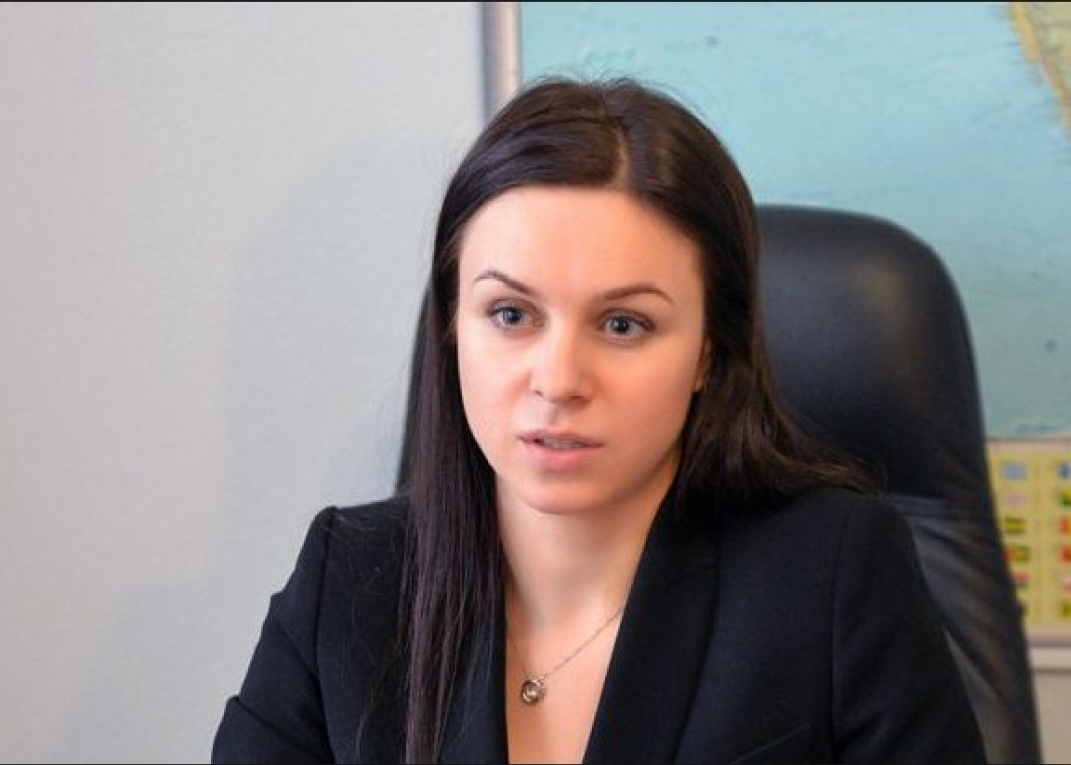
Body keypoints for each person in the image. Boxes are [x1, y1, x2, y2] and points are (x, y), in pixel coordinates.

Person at [212, 76, 986, 764]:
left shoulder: (833, 576)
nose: (558, 381)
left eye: (623, 324)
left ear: (710, 350)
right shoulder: (347, 582)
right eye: (510, 314)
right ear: (452, 326)